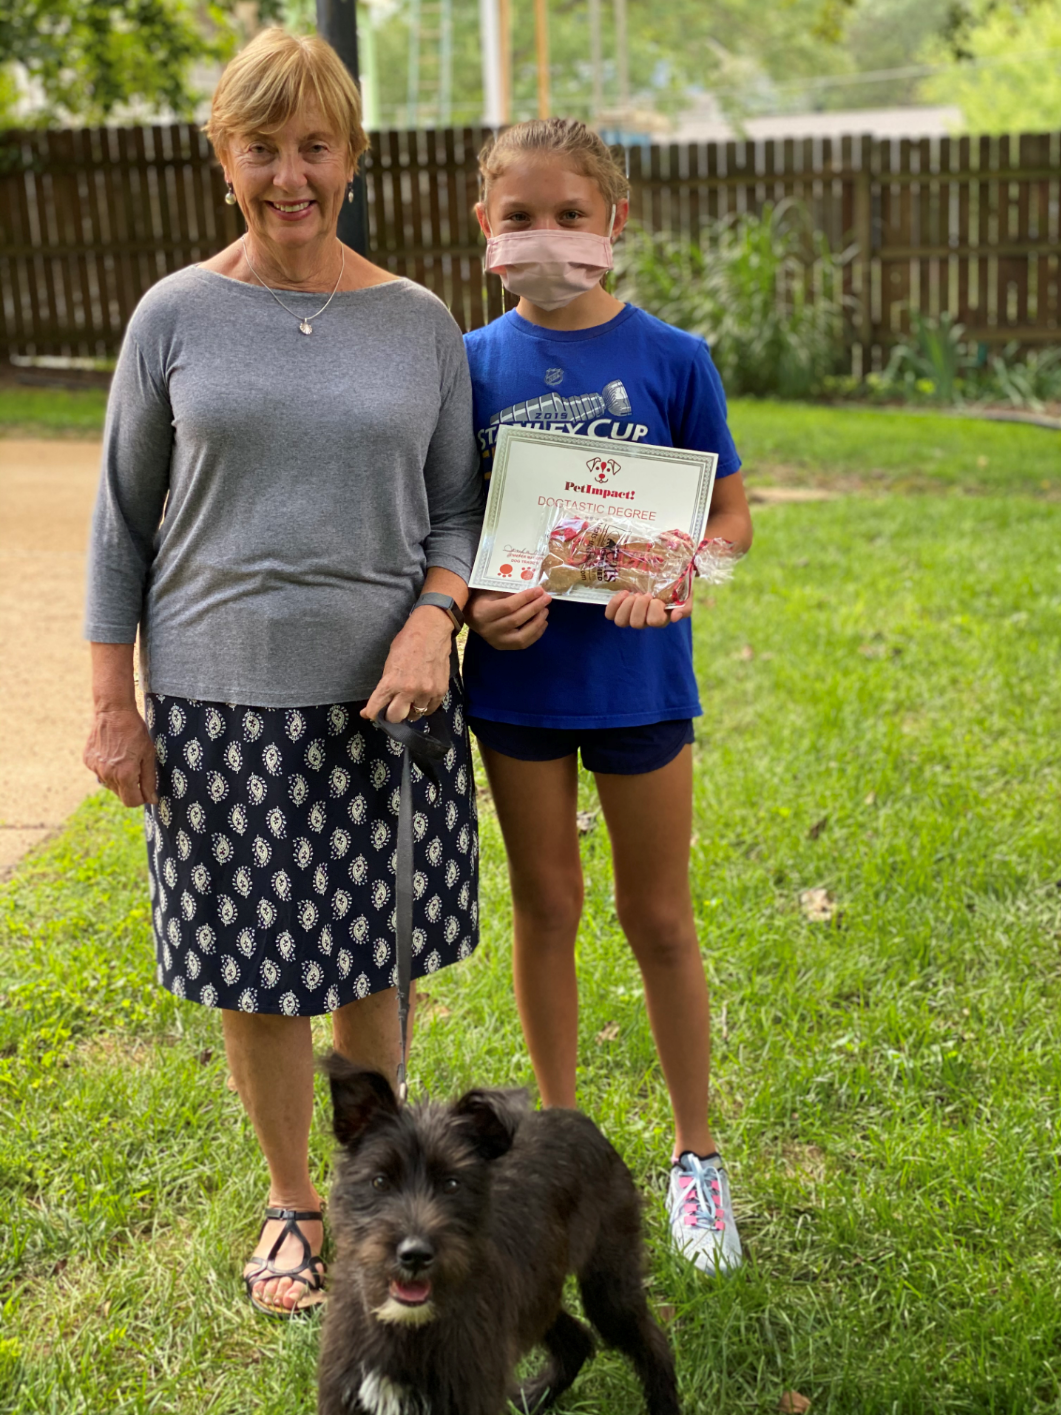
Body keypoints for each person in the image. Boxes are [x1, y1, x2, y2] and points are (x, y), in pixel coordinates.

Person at [82, 28, 482, 1317]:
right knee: (252, 973)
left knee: (374, 962)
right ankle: (292, 1205)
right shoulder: (175, 315)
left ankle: (374, 1204)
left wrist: (435, 619)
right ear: (225, 158)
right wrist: (111, 704)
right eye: (264, 147)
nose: (290, 173)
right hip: (214, 702)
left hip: (387, 705)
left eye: (315, 146)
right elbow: (121, 526)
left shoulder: (418, 323)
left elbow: (456, 514)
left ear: (352, 158)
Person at [462, 119, 753, 1277]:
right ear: (482, 227)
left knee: (660, 918)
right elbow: (455, 533)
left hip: (640, 684)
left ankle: (695, 1157)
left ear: (612, 226)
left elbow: (728, 519)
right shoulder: (468, 363)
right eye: (520, 216)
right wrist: (482, 606)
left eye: (569, 216)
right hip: (521, 686)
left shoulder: (673, 357)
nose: (546, 237)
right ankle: (558, 1151)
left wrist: (692, 570)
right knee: (546, 909)